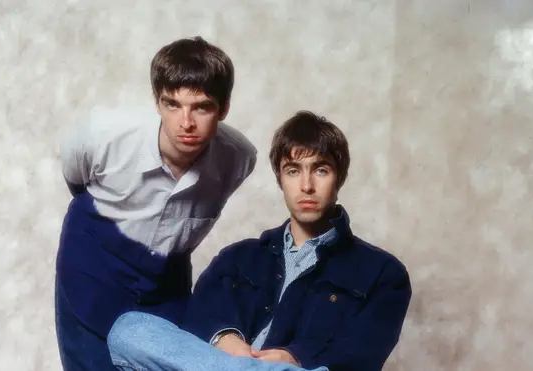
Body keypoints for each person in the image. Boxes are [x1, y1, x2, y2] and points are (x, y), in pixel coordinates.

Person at [107, 111, 412, 371]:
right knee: (130, 329)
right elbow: (196, 320)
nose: (306, 186)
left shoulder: (384, 274)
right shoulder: (238, 258)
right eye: (293, 171)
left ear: (339, 177)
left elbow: (360, 358)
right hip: (222, 364)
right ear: (281, 179)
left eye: (320, 170)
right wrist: (225, 340)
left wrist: (294, 358)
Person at [54, 36, 257, 370]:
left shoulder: (237, 158)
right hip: (93, 266)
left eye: (202, 106)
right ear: (157, 102)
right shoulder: (106, 134)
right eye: (172, 104)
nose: (185, 122)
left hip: (166, 280)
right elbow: (76, 178)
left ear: (224, 108)